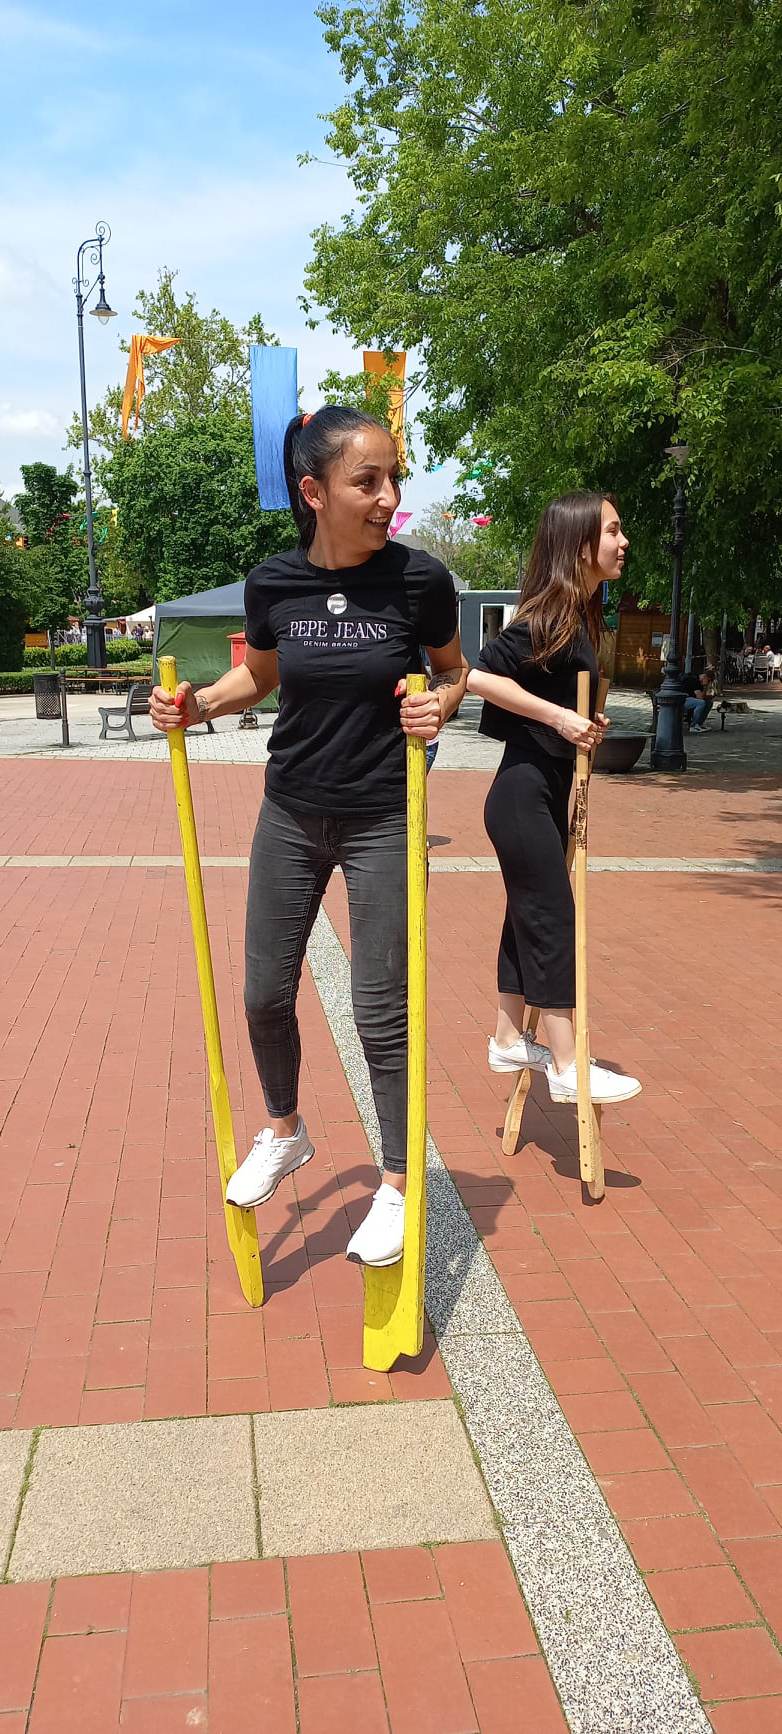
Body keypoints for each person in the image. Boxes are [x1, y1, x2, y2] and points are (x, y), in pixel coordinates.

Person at [150, 406, 466, 1267]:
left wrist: (441, 705)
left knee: (380, 1010)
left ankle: (396, 1182)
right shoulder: (273, 585)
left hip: (384, 816)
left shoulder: (420, 581)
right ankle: (285, 1131)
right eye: (368, 481)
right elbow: (257, 676)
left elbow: (453, 669)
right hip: (290, 811)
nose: (388, 497)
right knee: (263, 994)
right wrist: (193, 705)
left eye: (394, 478)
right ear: (314, 492)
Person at [466, 492, 641, 1106]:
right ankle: (567, 1065)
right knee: (550, 916)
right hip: (522, 795)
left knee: (528, 914)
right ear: (580, 544)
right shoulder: (550, 613)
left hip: (543, 792)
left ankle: (507, 1037)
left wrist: (583, 719)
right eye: (612, 531)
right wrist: (561, 718)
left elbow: (561, 701)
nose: (623, 542)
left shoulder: (578, 614)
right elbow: (476, 674)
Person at [683, 666, 715, 732]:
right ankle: (693, 725)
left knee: (709, 703)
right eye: (708, 680)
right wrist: (705, 686)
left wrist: (710, 697)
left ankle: (699, 724)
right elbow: (700, 698)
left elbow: (701, 696)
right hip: (683, 699)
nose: (708, 682)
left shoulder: (700, 682)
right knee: (701, 703)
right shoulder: (694, 680)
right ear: (705, 677)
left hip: (690, 698)